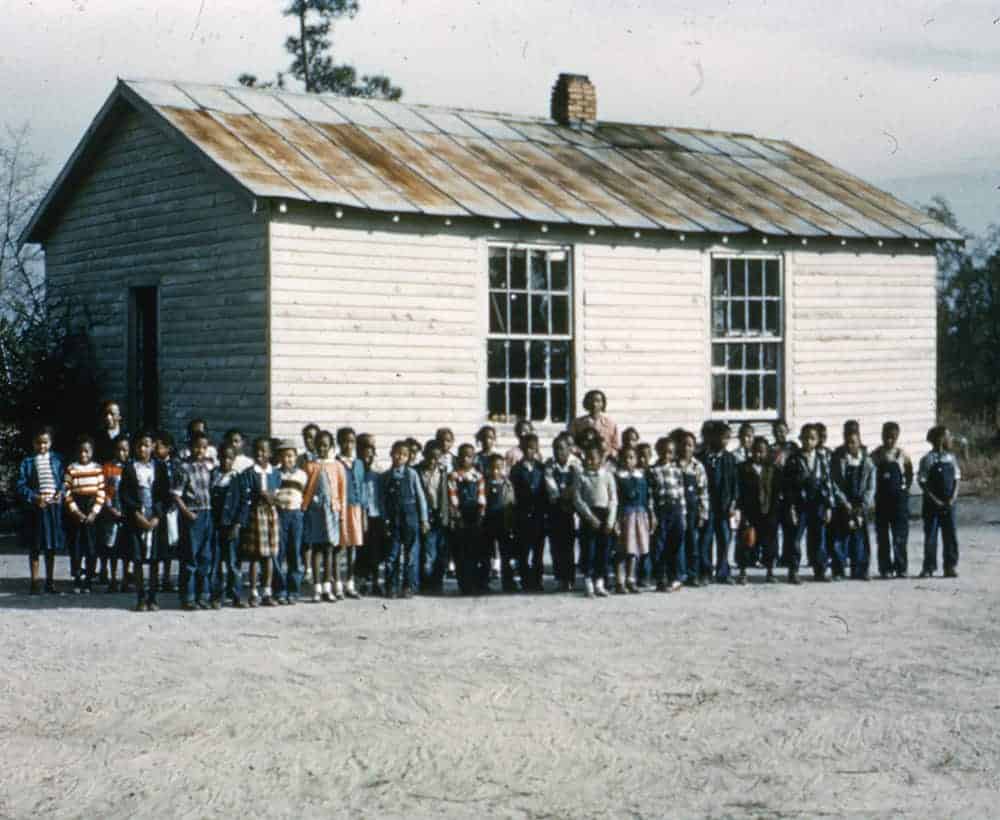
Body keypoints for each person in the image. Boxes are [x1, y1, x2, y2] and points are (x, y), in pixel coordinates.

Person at [119, 432, 172, 611]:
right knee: (138, 558)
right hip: (137, 518)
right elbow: (124, 494)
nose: (143, 449)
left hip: (155, 517)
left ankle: (153, 597)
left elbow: (166, 494)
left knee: (155, 559)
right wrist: (137, 515)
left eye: (147, 445)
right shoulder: (129, 468)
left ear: (152, 447)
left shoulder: (160, 467)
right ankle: (141, 597)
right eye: (140, 445)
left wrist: (157, 516)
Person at [782, 424, 834, 584]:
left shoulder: (822, 458)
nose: (808, 442)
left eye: (812, 438)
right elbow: (788, 485)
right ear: (800, 439)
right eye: (805, 438)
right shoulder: (793, 459)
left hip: (817, 503)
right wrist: (790, 507)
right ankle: (793, 570)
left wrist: (828, 506)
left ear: (817, 440)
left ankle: (820, 570)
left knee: (818, 538)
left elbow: (827, 482)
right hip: (799, 504)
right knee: (795, 538)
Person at [18, 426, 65, 595]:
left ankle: (50, 582)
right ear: (33, 443)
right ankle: (34, 582)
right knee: (35, 546)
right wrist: (35, 497)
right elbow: (21, 486)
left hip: (52, 508)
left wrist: (60, 493)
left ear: (50, 443)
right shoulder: (28, 462)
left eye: (45, 442)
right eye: (38, 443)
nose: (42, 446)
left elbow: (63, 481)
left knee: (51, 546)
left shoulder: (57, 460)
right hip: (36, 509)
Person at [381, 440, 429, 598]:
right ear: (391, 454)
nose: (399, 457)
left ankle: (409, 586)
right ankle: (391, 586)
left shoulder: (412, 474)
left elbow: (421, 497)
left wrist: (424, 520)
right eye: (397, 453)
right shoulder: (386, 476)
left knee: (411, 554)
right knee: (392, 554)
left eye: (403, 455)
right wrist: (385, 518)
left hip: (410, 518)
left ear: (408, 457)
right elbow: (382, 500)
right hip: (393, 519)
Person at [173, 431, 216, 609]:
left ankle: (203, 595)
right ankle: (188, 597)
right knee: (190, 556)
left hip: (207, 513)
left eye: (204, 447)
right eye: (197, 446)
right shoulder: (183, 468)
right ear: (190, 447)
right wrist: (186, 512)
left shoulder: (209, 466)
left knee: (205, 556)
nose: (200, 450)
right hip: (192, 515)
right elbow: (176, 495)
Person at [302, 430, 344, 603]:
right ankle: (317, 588)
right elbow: (306, 488)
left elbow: (342, 491)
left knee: (329, 549)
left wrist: (341, 512)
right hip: (315, 512)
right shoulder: (310, 465)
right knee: (316, 549)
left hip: (331, 512)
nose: (322, 448)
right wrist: (306, 505)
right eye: (319, 445)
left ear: (331, 446)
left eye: (325, 445)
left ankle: (328, 587)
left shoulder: (337, 466)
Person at [240, 437, 281, 607]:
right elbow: (246, 494)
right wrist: (260, 495)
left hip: (270, 515)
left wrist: (270, 497)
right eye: (257, 450)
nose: (260, 454)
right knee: (255, 556)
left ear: (270, 453)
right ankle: (254, 592)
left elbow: (277, 495)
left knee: (269, 555)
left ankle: (267, 591)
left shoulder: (275, 473)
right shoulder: (249, 473)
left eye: (264, 451)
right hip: (255, 515)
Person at [63, 435, 107, 595]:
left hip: (91, 510)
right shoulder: (71, 468)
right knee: (76, 547)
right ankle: (77, 578)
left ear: (92, 452)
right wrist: (75, 511)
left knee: (91, 547)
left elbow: (102, 492)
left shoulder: (97, 469)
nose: (83, 455)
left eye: (87, 452)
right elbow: (66, 492)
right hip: (76, 511)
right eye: (81, 451)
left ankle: (88, 580)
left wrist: (94, 512)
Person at [830, 429, 876, 581]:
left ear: (859, 442)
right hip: (845, 503)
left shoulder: (867, 462)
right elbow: (835, 483)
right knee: (840, 537)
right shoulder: (840, 460)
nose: (851, 445)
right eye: (848, 442)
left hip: (860, 504)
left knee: (860, 537)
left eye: (854, 442)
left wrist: (864, 504)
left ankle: (861, 569)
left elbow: (871, 486)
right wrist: (844, 502)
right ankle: (838, 569)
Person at [871, 422, 913, 579]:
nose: (889, 441)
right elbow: (870, 474)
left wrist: (905, 490)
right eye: (886, 437)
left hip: (898, 501)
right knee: (882, 537)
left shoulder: (902, 455)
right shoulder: (876, 455)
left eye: (892, 438)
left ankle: (901, 567)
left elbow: (909, 474)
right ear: (882, 436)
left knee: (900, 536)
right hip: (882, 500)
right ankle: (885, 568)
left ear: (897, 437)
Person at [574, 443, 617, 598]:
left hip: (604, 516)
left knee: (603, 551)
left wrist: (611, 521)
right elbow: (578, 499)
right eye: (588, 458)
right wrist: (589, 517)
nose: (590, 461)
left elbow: (613, 499)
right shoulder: (582, 476)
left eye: (594, 458)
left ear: (600, 460)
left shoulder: (607, 475)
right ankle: (588, 582)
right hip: (589, 517)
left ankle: (599, 582)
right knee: (588, 550)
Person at [918, 425, 961, 579]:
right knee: (931, 536)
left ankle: (950, 566)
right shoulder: (927, 459)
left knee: (950, 535)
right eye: (948, 436)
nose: (951, 440)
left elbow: (957, 479)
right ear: (940, 439)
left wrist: (953, 498)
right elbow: (923, 482)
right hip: (932, 505)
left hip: (950, 503)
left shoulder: (952, 459)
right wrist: (935, 500)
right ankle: (929, 567)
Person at [735, 436, 780, 584]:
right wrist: (741, 512)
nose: (758, 455)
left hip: (768, 511)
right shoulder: (743, 468)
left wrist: (774, 511)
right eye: (755, 451)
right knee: (746, 542)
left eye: (761, 452)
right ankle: (742, 571)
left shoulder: (772, 469)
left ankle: (770, 571)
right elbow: (739, 491)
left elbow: (777, 491)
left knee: (770, 543)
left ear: (767, 452)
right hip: (749, 512)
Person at [698, 421, 738, 585]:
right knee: (706, 539)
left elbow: (735, 483)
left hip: (724, 506)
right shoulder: (701, 458)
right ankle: (706, 571)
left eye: (728, 438)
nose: (726, 441)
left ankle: (723, 571)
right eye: (723, 438)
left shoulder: (730, 458)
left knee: (724, 538)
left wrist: (733, 503)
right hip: (708, 505)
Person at [509, 434, 547, 592]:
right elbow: (513, 492)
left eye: (533, 448)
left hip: (538, 514)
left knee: (538, 551)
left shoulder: (542, 468)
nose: (530, 451)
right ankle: (525, 580)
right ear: (522, 449)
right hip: (522, 514)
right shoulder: (516, 469)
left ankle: (537, 581)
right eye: (527, 448)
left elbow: (545, 491)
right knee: (523, 550)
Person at [614, 445, 654, 594]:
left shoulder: (642, 476)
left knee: (635, 550)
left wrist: (651, 515)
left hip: (640, 515)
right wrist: (617, 520)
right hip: (625, 516)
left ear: (636, 459)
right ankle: (620, 581)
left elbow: (647, 498)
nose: (628, 461)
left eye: (631, 458)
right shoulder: (618, 476)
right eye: (625, 458)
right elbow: (616, 499)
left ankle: (631, 579)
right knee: (622, 550)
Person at [648, 436, 686, 592]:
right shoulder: (652, 470)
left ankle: (674, 577)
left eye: (670, 452)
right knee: (659, 545)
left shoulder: (677, 470)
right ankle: (660, 577)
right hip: (661, 510)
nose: (666, 455)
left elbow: (681, 492)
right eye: (663, 451)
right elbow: (650, 495)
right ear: (657, 451)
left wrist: (683, 514)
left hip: (676, 509)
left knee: (675, 544)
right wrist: (652, 514)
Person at [448, 444, 487, 595]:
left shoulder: (478, 476)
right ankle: (463, 583)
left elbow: (482, 497)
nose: (466, 459)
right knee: (461, 552)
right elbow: (452, 496)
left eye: (469, 456)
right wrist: (457, 515)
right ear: (458, 457)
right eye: (463, 456)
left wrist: (480, 515)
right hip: (460, 516)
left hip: (475, 516)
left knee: (474, 551)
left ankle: (476, 583)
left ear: (474, 458)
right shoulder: (454, 476)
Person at [210, 445, 245, 607]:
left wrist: (237, 524)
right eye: (223, 457)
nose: (226, 461)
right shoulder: (213, 476)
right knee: (216, 562)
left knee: (232, 562)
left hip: (231, 526)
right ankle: (217, 596)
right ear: (218, 458)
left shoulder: (238, 478)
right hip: (215, 526)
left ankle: (236, 594)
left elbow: (243, 504)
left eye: (229, 458)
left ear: (234, 459)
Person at [273, 440, 307, 605]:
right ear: (280, 457)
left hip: (295, 515)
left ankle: (293, 590)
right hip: (280, 514)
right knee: (279, 552)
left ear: (296, 457)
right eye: (285, 456)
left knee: (294, 552)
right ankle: (279, 589)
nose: (288, 459)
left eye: (291, 456)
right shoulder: (275, 474)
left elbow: (305, 494)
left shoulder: (301, 475)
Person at [544, 433, 579, 592]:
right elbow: (550, 485)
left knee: (568, 546)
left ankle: (569, 578)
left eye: (562, 449)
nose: (558, 452)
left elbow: (578, 484)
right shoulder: (550, 466)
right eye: (555, 449)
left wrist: (569, 496)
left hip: (572, 510)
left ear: (569, 449)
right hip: (555, 510)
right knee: (555, 546)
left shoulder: (576, 465)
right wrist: (560, 497)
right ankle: (560, 578)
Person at [673, 429, 709, 587]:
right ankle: (679, 574)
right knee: (678, 542)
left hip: (693, 509)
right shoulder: (673, 465)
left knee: (693, 542)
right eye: (684, 445)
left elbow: (703, 491)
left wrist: (703, 513)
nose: (687, 448)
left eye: (690, 445)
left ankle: (693, 574)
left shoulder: (698, 466)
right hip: (677, 510)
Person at [335, 427, 367, 600]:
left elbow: (361, 488)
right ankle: (337, 583)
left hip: (355, 509)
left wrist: (363, 513)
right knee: (339, 547)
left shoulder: (359, 463)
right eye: (345, 441)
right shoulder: (336, 462)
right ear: (339, 442)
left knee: (353, 547)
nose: (349, 445)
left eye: (352, 441)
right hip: (341, 508)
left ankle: (350, 582)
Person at [418, 440, 450, 594]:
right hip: (426, 514)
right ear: (423, 455)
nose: (432, 461)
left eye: (436, 458)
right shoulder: (417, 471)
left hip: (441, 515)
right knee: (428, 553)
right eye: (429, 457)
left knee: (442, 552)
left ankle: (437, 583)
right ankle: (426, 583)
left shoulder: (443, 472)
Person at [98, 435, 130, 593]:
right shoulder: (108, 467)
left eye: (125, 450)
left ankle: (126, 578)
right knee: (112, 547)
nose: (122, 453)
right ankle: (113, 578)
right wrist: (110, 508)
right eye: (119, 449)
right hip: (112, 512)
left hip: (128, 512)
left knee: (126, 547)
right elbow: (103, 490)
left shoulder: (131, 467)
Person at [154, 431, 183, 595]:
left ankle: (167, 576)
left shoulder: (175, 465)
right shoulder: (153, 464)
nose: (155, 449)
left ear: (168, 448)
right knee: (159, 544)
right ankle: (156, 577)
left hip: (172, 508)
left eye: (159, 446)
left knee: (170, 545)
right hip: (158, 507)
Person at [358, 434, 385, 595]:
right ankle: (363, 580)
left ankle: (376, 580)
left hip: (376, 514)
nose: (369, 453)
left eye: (371, 449)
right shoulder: (356, 467)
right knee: (362, 550)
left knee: (376, 549)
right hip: (360, 514)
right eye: (365, 449)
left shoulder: (378, 469)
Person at [569, 390, 619, 460]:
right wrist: (581, 454)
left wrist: (607, 453)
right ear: (586, 402)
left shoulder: (610, 424)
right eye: (591, 400)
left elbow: (615, 447)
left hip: (605, 461)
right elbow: (571, 444)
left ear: (603, 403)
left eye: (598, 401)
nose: (594, 404)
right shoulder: (577, 423)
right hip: (583, 460)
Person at [94, 400, 126, 464]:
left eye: (112, 414)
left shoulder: (127, 435)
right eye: (105, 414)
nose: (108, 417)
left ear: (119, 416)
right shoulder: (97, 438)